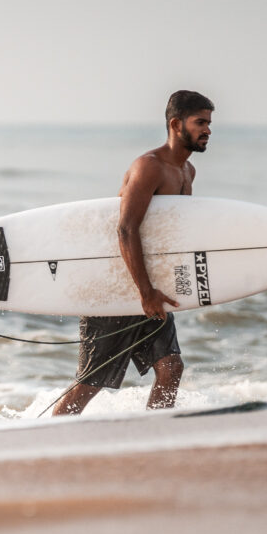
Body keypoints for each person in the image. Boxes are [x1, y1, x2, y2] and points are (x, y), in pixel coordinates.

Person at [53, 90, 214, 415]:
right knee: (91, 382)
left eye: (209, 123)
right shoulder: (149, 167)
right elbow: (126, 229)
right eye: (200, 122)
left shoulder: (187, 172)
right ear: (175, 123)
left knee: (171, 368)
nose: (208, 130)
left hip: (149, 287)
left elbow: (167, 233)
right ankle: (46, 437)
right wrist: (145, 292)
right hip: (118, 285)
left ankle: (155, 432)